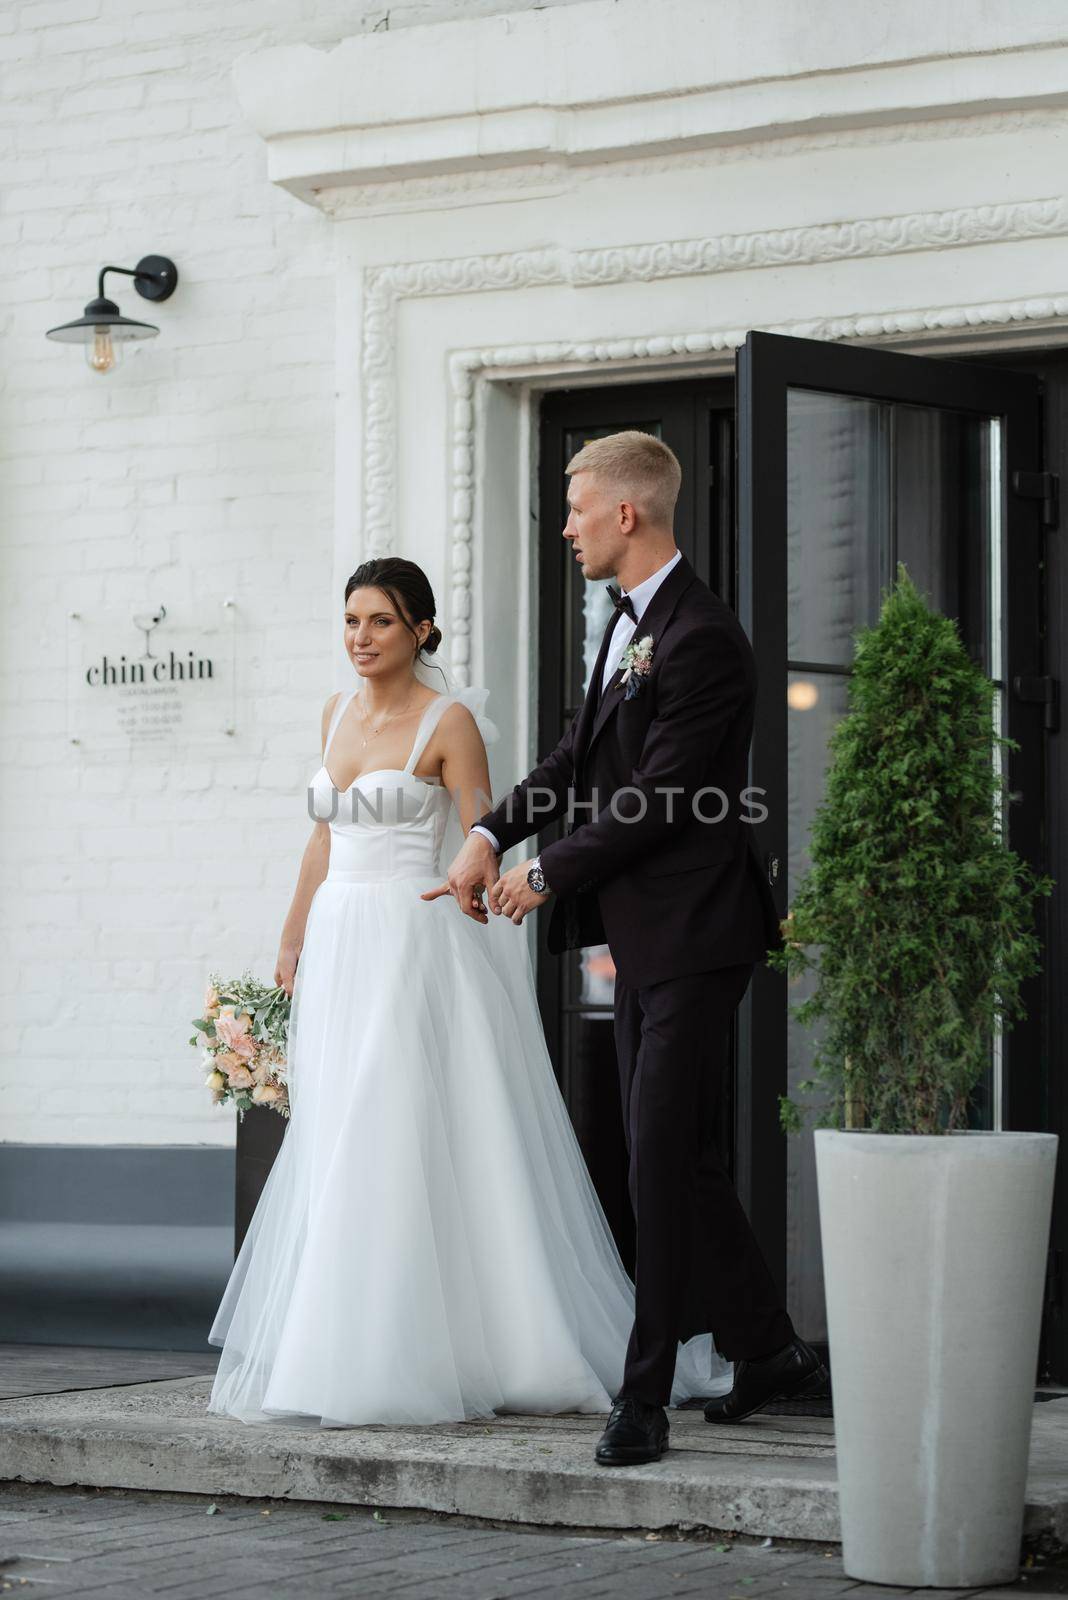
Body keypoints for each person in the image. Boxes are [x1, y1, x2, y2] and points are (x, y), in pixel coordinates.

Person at [206, 555, 733, 1428]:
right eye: (350, 622)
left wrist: (493, 880)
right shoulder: (333, 712)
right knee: (339, 1123)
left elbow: (480, 836)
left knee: (394, 1120)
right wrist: (293, 935)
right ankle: (330, 1344)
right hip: (339, 939)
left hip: (411, 943)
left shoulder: (449, 723)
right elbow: (320, 840)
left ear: (420, 629)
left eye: (378, 621)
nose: (360, 639)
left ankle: (417, 1351)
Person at [441, 432, 827, 1467]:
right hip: (642, 936)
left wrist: (549, 871)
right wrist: (489, 835)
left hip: (699, 933)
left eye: (575, 509)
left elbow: (658, 797)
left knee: (656, 1154)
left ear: (627, 514)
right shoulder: (620, 625)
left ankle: (644, 1395)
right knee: (680, 1159)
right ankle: (770, 1347)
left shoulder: (700, 635)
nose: (563, 528)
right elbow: (577, 759)